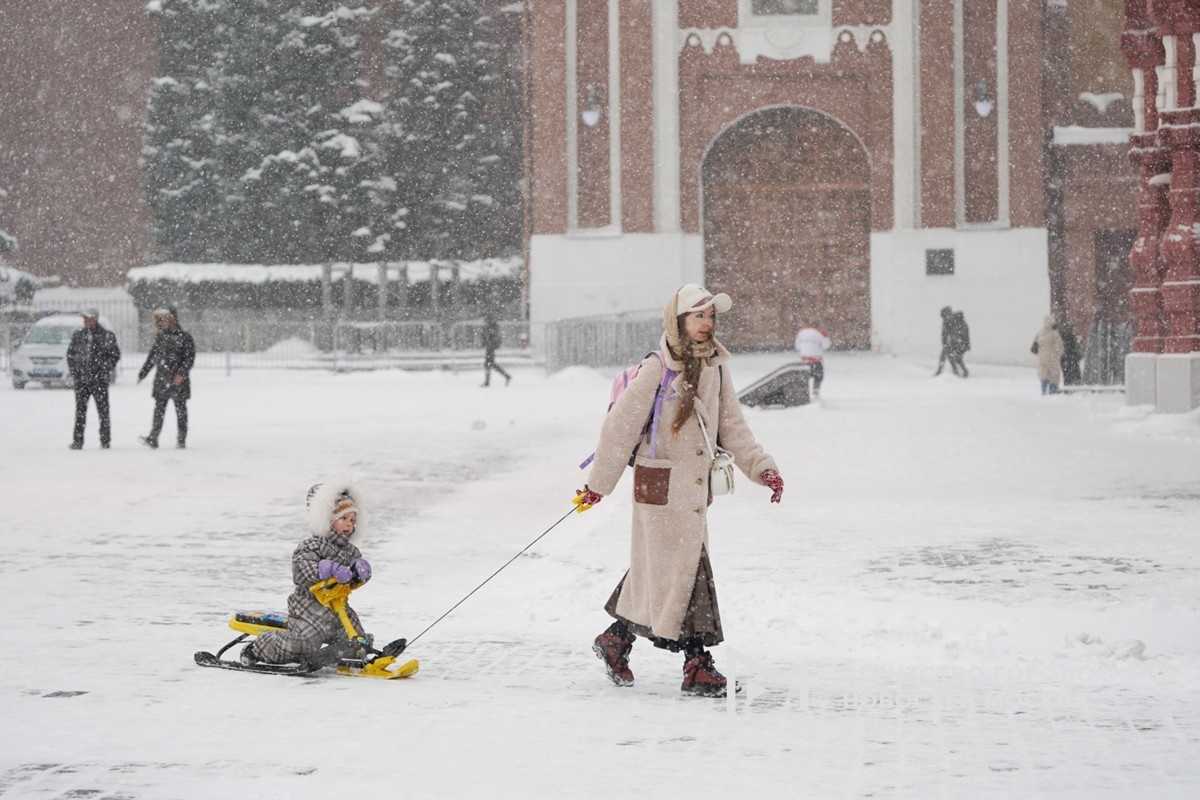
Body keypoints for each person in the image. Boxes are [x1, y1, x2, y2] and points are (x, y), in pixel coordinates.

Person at [575, 283, 785, 698]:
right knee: (687, 570)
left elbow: (733, 427)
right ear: (678, 321)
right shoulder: (657, 368)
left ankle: (616, 639)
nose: (707, 324)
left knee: (664, 570)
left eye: (711, 316)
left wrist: (763, 469)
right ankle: (697, 665)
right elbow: (619, 429)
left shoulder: (716, 367)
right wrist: (598, 485)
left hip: (691, 493)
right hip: (659, 488)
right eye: (698, 316)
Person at [241, 479, 374, 668]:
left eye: (352, 520)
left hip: (338, 608)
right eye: (343, 519)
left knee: (357, 638)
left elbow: (351, 578)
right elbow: (301, 569)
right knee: (302, 644)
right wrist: (328, 569)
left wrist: (361, 572)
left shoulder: (350, 550)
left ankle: (348, 654)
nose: (348, 525)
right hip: (309, 608)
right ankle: (257, 647)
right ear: (326, 519)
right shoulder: (311, 545)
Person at [137, 307, 195, 449]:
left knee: (181, 411)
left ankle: (181, 439)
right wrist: (143, 373)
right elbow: (152, 357)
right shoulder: (161, 337)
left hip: (178, 381)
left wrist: (181, 374)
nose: (162, 322)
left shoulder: (185, 337)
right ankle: (153, 437)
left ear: (172, 319)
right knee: (159, 410)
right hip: (162, 380)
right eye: (160, 319)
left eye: (165, 319)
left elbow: (189, 358)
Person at [66, 309, 121, 450]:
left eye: (88, 318)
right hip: (82, 381)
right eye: (84, 319)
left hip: (99, 381)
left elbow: (115, 355)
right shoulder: (78, 335)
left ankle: (105, 440)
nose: (86, 321)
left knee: (103, 411)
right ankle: (78, 440)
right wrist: (76, 372)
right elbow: (71, 355)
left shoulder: (106, 335)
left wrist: (103, 369)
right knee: (80, 412)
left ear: (95, 319)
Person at [794, 321, 832, 397]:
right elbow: (826, 345)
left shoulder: (802, 332)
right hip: (816, 358)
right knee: (818, 375)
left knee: (805, 375)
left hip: (804, 358)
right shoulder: (820, 332)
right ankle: (816, 389)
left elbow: (797, 346)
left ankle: (804, 391)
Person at [1032, 315, 1065, 394]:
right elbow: (1059, 347)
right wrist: (1059, 354)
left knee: (1043, 374)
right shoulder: (1055, 334)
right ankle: (1053, 390)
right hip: (1052, 356)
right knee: (1054, 374)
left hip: (1042, 357)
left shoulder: (1039, 333)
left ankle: (1044, 389)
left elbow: (1035, 346)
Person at [934, 306, 970, 377]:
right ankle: (958, 371)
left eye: (945, 315)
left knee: (954, 356)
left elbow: (962, 332)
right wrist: (945, 343)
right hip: (953, 343)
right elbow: (944, 334)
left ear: (949, 314)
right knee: (948, 354)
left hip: (961, 343)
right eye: (943, 317)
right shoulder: (946, 322)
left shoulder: (958, 320)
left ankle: (957, 371)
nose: (945, 318)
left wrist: (957, 339)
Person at [481, 312, 511, 387]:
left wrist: (487, 340)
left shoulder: (490, 324)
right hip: (491, 345)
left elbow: (491, 334)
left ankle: (488, 382)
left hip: (491, 346)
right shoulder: (490, 323)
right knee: (490, 364)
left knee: (489, 364)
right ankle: (506, 376)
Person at [1060, 322, 1083, 386]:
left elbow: (1060, 349)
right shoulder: (1073, 338)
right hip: (1073, 359)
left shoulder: (1061, 338)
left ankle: (1067, 386)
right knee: (1075, 374)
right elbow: (1077, 349)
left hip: (1065, 360)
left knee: (1066, 375)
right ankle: (1075, 386)